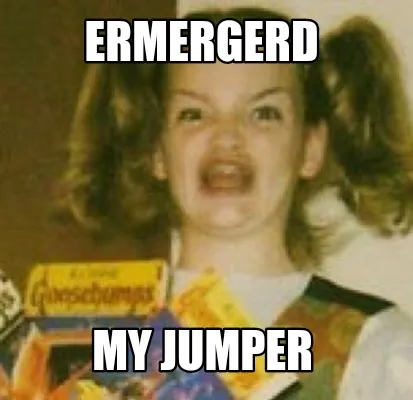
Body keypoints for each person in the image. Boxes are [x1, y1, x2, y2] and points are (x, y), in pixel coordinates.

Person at [59, 6, 413, 399]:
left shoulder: (377, 348)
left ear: (310, 148)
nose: (226, 136)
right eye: (193, 114)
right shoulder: (77, 339)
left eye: (264, 113)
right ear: (157, 151)